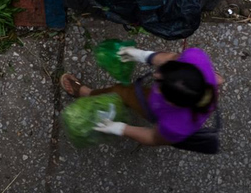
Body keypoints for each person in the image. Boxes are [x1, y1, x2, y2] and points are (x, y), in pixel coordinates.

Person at [60, 46, 223, 146]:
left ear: (172, 104)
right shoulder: (195, 57)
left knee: (120, 92)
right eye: (163, 73)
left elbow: (153, 137)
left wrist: (119, 128)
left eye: (160, 86)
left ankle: (88, 94)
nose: (156, 76)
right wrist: (143, 55)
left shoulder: (176, 125)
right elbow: (172, 57)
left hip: (155, 109)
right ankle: (216, 79)